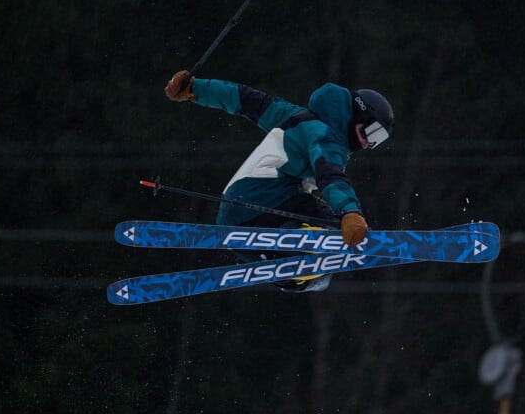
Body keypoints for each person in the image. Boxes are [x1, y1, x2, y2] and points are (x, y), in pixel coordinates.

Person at [164, 70, 394, 292]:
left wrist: (194, 88)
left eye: (379, 140)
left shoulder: (293, 115)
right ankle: (310, 247)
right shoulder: (326, 136)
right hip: (266, 202)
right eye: (372, 133)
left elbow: (245, 99)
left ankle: (292, 271)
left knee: (313, 275)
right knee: (335, 229)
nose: (369, 144)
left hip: (236, 216)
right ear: (358, 115)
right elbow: (331, 176)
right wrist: (350, 212)